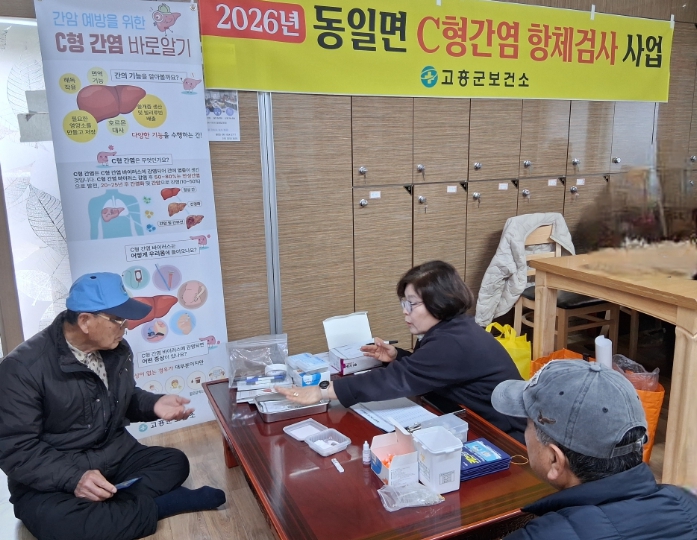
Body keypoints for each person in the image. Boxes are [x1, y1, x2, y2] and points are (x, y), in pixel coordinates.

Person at [0, 272, 226, 540]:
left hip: (113, 456)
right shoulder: (22, 368)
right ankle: (160, 506)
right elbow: (16, 448)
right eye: (118, 320)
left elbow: (122, 398)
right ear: (85, 321)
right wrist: (74, 478)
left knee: (174, 463)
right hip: (54, 475)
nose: (126, 327)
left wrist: (154, 404)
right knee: (61, 526)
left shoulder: (116, 349)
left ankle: (108, 506)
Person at [276, 260, 526, 442]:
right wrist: (398, 357)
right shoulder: (451, 328)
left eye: (412, 304)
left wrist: (321, 391)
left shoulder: (454, 341)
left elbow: (396, 379)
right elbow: (430, 370)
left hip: (504, 435)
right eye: (404, 303)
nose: (405, 311)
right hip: (465, 416)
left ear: (440, 301)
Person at [491, 360, 697, 540]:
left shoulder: (540, 535)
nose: (525, 433)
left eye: (528, 425)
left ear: (555, 460)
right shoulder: (687, 503)